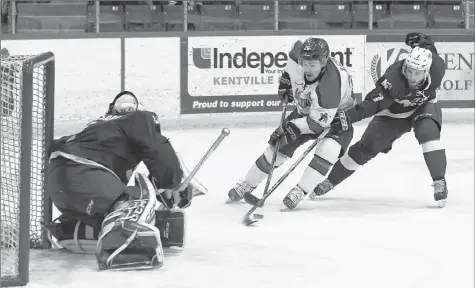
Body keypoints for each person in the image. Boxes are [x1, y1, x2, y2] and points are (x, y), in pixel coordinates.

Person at [46, 91, 206, 270]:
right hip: (84, 170)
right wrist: (172, 182)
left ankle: (71, 230)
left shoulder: (102, 133)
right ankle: (123, 248)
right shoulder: (137, 118)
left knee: (112, 207)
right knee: (133, 201)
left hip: (60, 185)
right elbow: (157, 150)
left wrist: (160, 185)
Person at [312, 32, 448, 207]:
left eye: (418, 73)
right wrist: (345, 117)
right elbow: (370, 105)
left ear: (427, 70)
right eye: (410, 71)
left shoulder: (437, 67)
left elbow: (429, 48)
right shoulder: (393, 80)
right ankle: (330, 181)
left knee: (428, 133)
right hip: (393, 114)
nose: (413, 77)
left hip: (424, 105)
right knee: (366, 147)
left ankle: (439, 181)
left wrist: (424, 40)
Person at [227, 37, 356, 210]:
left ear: (324, 62)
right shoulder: (298, 55)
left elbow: (316, 125)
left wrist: (293, 127)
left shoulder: (330, 85)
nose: (307, 69)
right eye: (305, 63)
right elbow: (291, 69)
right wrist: (285, 81)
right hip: (309, 110)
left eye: (313, 65)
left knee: (328, 150)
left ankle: (300, 190)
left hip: (338, 118)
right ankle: (248, 184)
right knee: (277, 148)